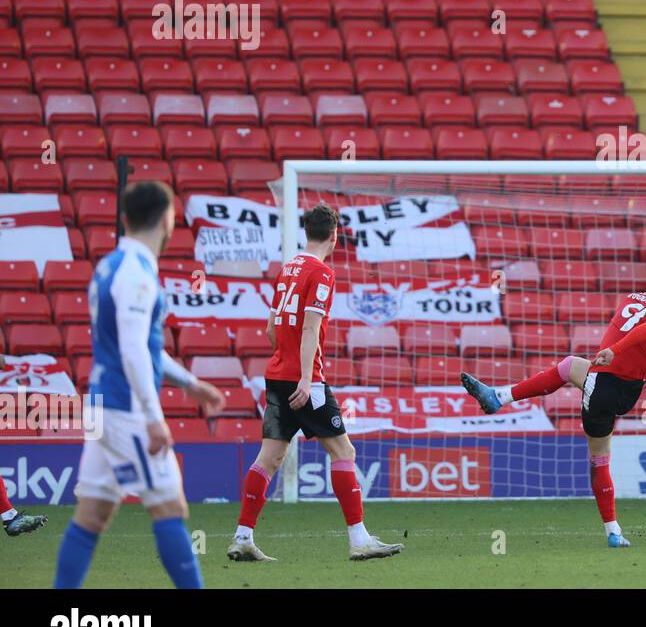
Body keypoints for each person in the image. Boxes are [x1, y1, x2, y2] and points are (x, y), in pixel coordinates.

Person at [461, 259, 646, 547]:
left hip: (604, 386)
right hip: (623, 391)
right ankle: (614, 533)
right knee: (599, 454)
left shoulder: (631, 299)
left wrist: (615, 349)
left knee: (571, 371)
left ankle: (500, 397)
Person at [53, 181, 226, 589]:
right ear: (169, 220)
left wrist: (188, 382)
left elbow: (139, 345)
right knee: (169, 507)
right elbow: (132, 351)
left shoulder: (111, 266)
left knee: (92, 514)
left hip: (103, 403)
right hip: (125, 408)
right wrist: (152, 418)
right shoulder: (137, 275)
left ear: (126, 219)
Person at [226, 203, 403, 563]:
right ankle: (359, 539)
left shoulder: (287, 268)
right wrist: (306, 377)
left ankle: (243, 537)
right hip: (305, 381)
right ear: (334, 236)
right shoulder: (322, 274)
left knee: (270, 457)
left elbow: (270, 329)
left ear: (306, 232)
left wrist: (286, 358)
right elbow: (309, 327)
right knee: (344, 452)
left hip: (276, 375)